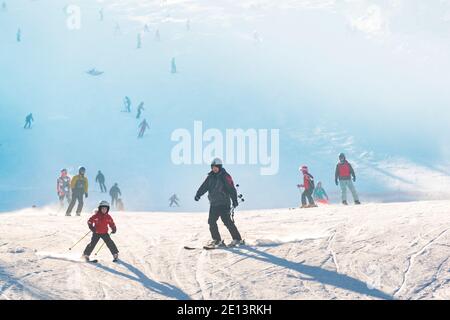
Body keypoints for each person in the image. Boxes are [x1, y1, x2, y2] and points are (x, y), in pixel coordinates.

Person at [195, 158, 243, 248]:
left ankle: (237, 239)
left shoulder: (225, 176)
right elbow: (204, 187)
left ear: (220, 167)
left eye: (216, 167)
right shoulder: (210, 177)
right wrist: (198, 194)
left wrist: (234, 200)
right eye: (213, 167)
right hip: (214, 204)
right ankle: (217, 240)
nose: (214, 169)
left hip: (224, 203)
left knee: (227, 221)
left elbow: (231, 188)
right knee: (211, 221)